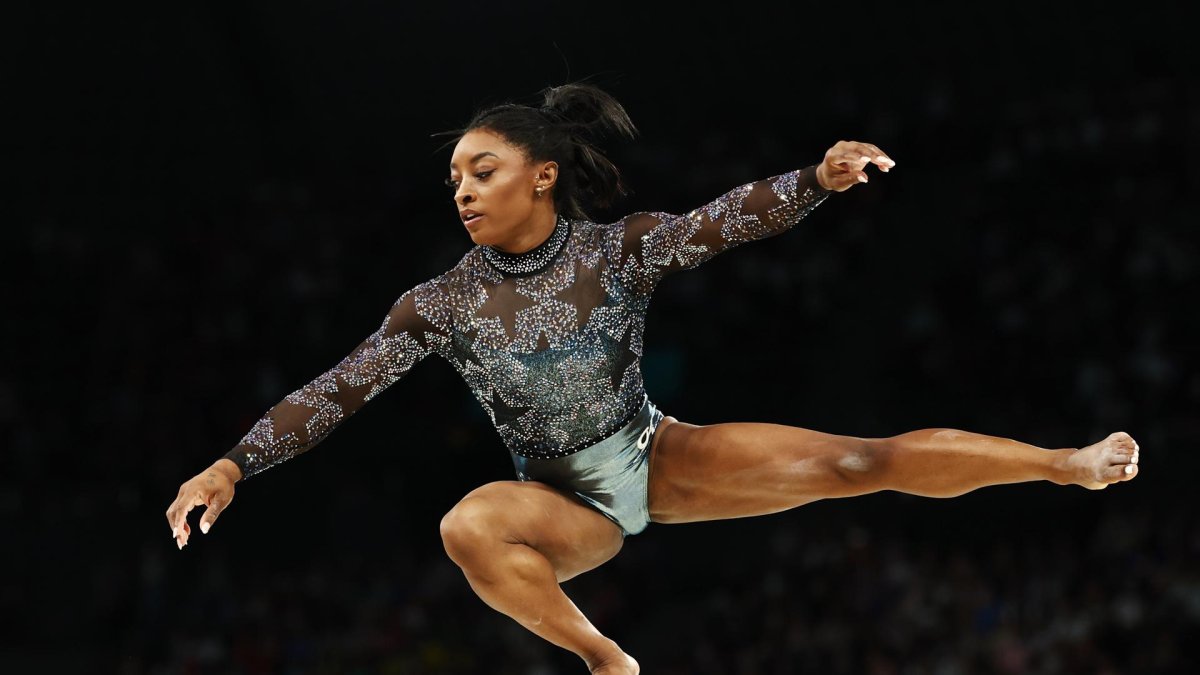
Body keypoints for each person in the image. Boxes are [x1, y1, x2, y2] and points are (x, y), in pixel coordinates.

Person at [166, 82, 1141, 674]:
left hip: (655, 453)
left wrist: (816, 179)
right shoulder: (439, 304)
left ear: (542, 174)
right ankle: (604, 657)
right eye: (455, 175)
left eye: (483, 169)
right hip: (559, 501)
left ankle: (1062, 464)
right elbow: (339, 387)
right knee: (467, 523)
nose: (461, 188)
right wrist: (233, 465)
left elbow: (721, 220)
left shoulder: (618, 251)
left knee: (859, 461)